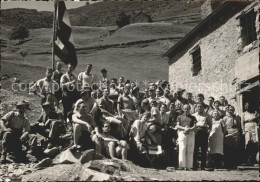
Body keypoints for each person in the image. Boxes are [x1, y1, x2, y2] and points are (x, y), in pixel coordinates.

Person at [176, 104, 196, 170]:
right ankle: (182, 166)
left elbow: (195, 126)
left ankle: (189, 166)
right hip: (182, 133)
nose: (186, 110)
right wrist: (184, 128)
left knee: (190, 150)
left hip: (190, 133)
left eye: (188, 108)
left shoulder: (193, 117)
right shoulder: (179, 117)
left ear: (190, 109)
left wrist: (190, 129)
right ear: (183, 109)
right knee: (182, 149)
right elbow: (178, 126)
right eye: (185, 108)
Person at [192, 102, 211, 170]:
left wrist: (208, 131)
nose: (199, 108)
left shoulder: (207, 115)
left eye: (201, 107)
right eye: (198, 107)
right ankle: (194, 165)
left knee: (204, 149)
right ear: (196, 107)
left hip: (204, 132)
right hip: (196, 132)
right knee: (195, 149)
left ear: (203, 107)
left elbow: (210, 124)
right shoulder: (193, 115)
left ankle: (203, 166)